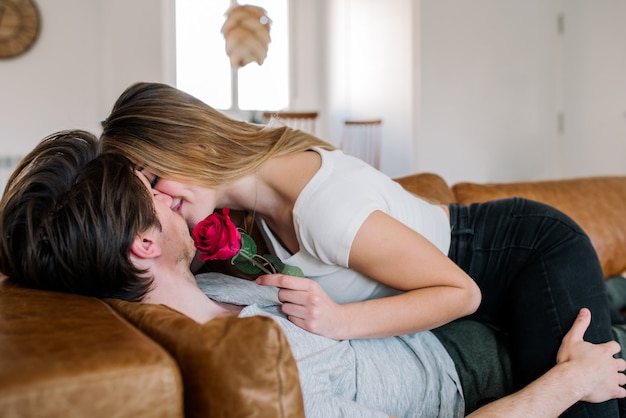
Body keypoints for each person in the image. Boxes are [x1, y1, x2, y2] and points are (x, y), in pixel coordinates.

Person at [0, 130, 624, 418]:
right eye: (154, 195)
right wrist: (567, 384)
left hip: (464, 310)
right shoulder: (270, 368)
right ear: (142, 243)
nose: (170, 194)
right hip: (474, 366)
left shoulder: (206, 290)